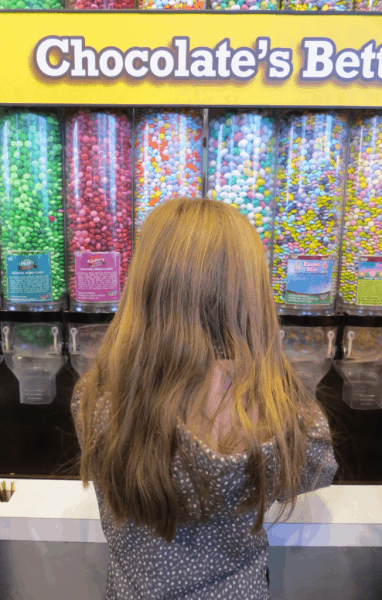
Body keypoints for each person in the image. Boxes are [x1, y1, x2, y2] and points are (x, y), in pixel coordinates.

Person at [71, 197, 339, 599]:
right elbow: (318, 471)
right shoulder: (286, 415)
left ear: (145, 288)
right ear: (252, 295)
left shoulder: (98, 402)